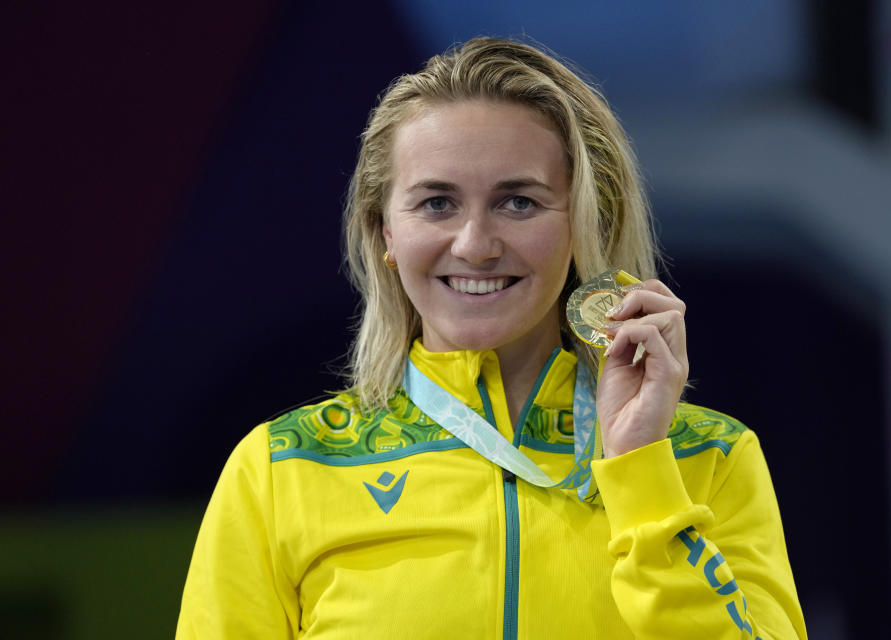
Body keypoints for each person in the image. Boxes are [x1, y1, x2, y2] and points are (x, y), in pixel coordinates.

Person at [176, 37, 807, 639]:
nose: (476, 245)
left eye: (519, 203)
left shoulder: (711, 458)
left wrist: (641, 470)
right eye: (436, 204)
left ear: (586, 221)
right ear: (385, 233)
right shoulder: (283, 468)